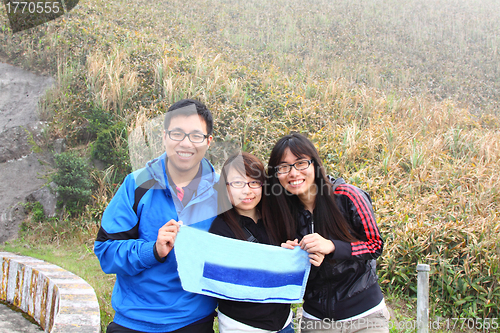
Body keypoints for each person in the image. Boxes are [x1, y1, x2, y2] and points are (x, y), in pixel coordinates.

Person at [94, 99, 219, 333]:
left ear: (208, 141)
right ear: (164, 136)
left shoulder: (223, 191)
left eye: (196, 136)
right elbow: (106, 251)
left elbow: (245, 243)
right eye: (177, 133)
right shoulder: (137, 184)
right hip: (134, 320)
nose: (185, 143)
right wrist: (153, 250)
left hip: (194, 321)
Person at [265, 133, 389, 333]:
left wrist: (332, 246)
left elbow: (375, 244)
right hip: (316, 320)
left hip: (365, 316)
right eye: (283, 167)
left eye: (300, 163)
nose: (293, 173)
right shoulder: (283, 212)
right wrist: (291, 256)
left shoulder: (348, 196)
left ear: (315, 164)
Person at [209, 152, 323, 333]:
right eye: (238, 183)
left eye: (254, 182)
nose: (247, 190)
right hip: (242, 326)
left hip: (283, 322)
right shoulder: (219, 230)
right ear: (226, 187)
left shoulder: (276, 218)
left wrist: (291, 253)